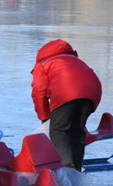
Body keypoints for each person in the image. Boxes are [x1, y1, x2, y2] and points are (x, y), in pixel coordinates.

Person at [31, 39, 102, 171]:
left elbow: (38, 92)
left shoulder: (44, 64)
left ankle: (67, 166)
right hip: (92, 92)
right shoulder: (74, 60)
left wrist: (44, 117)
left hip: (66, 92)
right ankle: (76, 169)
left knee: (58, 131)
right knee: (77, 132)